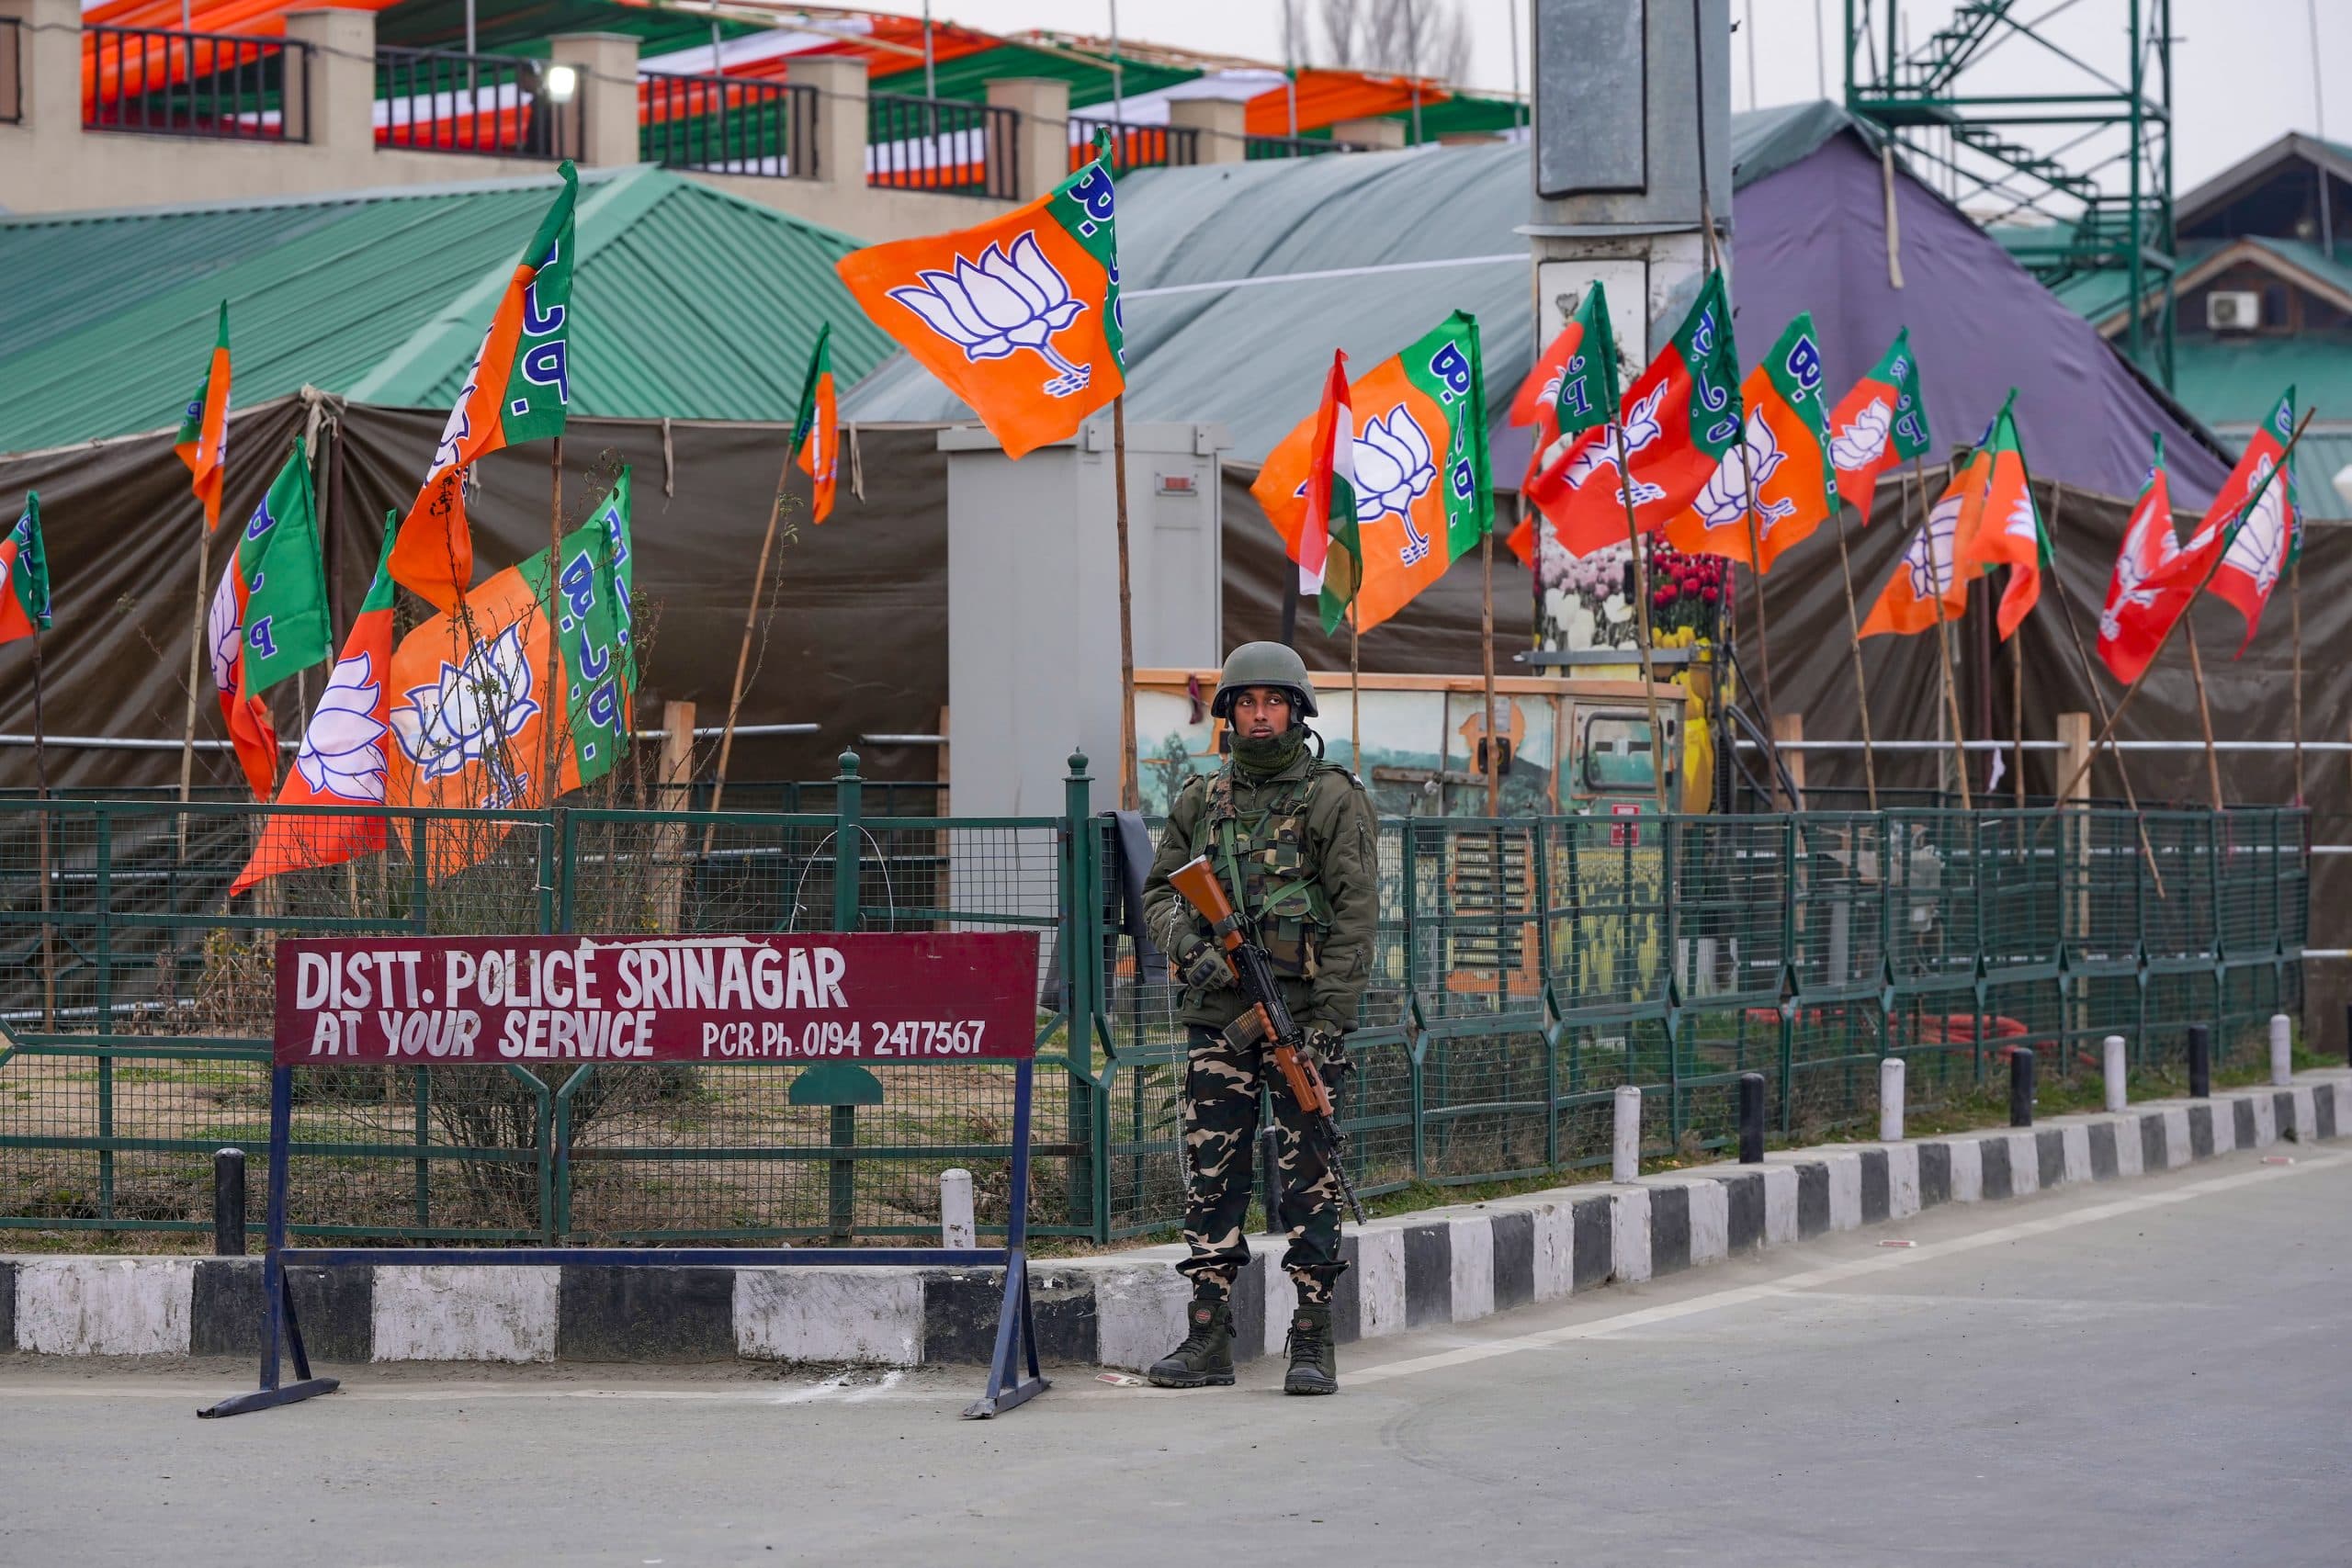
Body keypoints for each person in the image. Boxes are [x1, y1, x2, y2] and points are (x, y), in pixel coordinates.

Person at [1139, 640, 1378, 1395]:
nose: (1261, 714)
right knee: (1213, 1176)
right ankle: (1208, 1332)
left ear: (1297, 711)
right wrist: (1189, 948)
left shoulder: (1333, 798)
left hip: (1301, 1020)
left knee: (1309, 1178)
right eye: (1247, 702)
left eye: (1274, 701)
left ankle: (1312, 1336)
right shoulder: (1201, 800)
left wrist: (1328, 1023)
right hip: (1219, 1019)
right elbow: (1158, 892)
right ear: (1230, 714)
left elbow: (1355, 918)